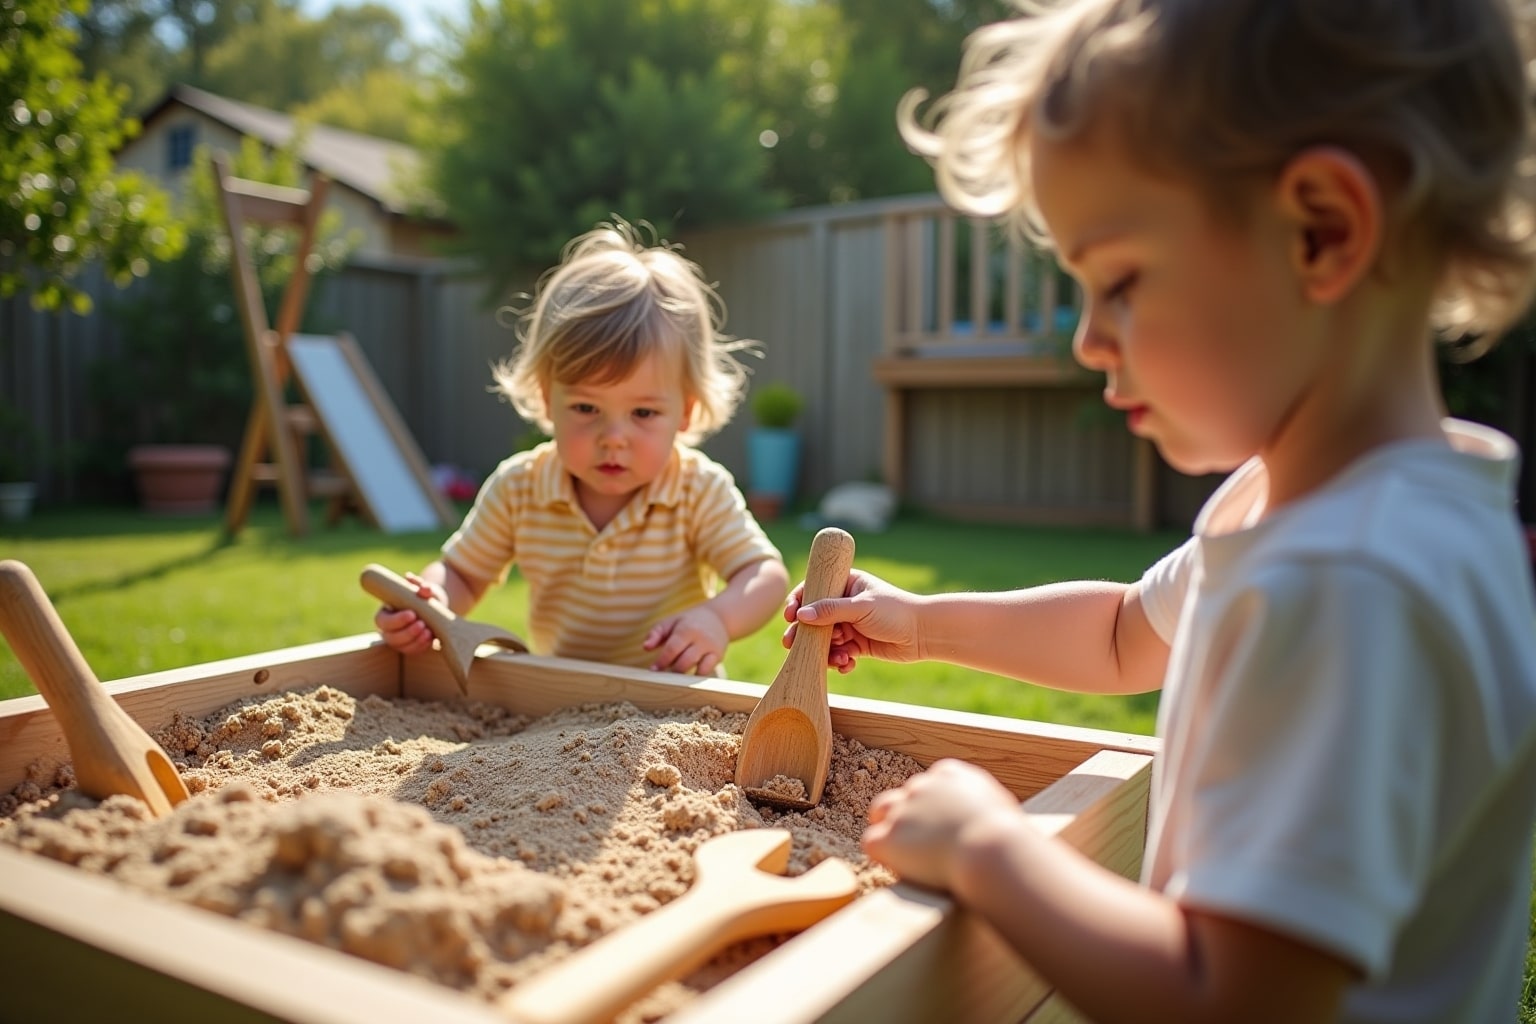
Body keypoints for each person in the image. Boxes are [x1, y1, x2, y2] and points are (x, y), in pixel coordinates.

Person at [784, 1, 1536, 1020]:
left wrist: (988, 846)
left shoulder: (1348, 581)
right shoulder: (1329, 510)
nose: (1090, 338)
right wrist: (919, 623)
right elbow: (1126, 633)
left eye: (1121, 282)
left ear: (1323, 231)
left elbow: (1228, 996)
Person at [376, 222, 789, 676]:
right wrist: (431, 603)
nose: (614, 437)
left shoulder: (696, 489)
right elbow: (463, 574)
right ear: (546, 396)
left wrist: (717, 618)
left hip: (674, 703)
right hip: (565, 710)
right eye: (587, 407)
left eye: (644, 414)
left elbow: (764, 576)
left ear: (685, 413)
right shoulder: (521, 488)